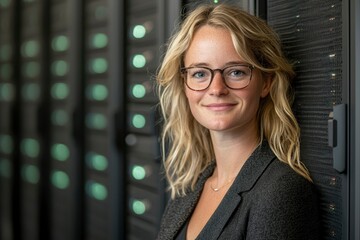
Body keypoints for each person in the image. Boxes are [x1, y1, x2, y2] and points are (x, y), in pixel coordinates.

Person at [156, 3, 320, 240]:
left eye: (236, 72)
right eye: (200, 73)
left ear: (266, 82)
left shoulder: (281, 192)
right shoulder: (190, 187)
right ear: (185, 84)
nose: (216, 89)